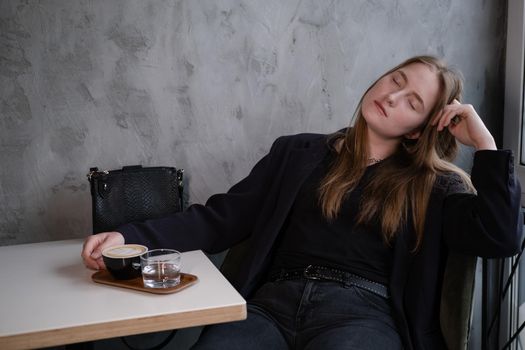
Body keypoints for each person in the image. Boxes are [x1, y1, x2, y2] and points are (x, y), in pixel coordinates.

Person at [81, 55, 523, 350]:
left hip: (361, 317)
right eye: (396, 80)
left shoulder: (434, 187)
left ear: (418, 129)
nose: (390, 96)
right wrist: (130, 237)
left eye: (412, 101)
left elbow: (501, 237)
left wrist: (484, 145)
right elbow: (221, 218)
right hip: (270, 306)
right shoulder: (298, 153)